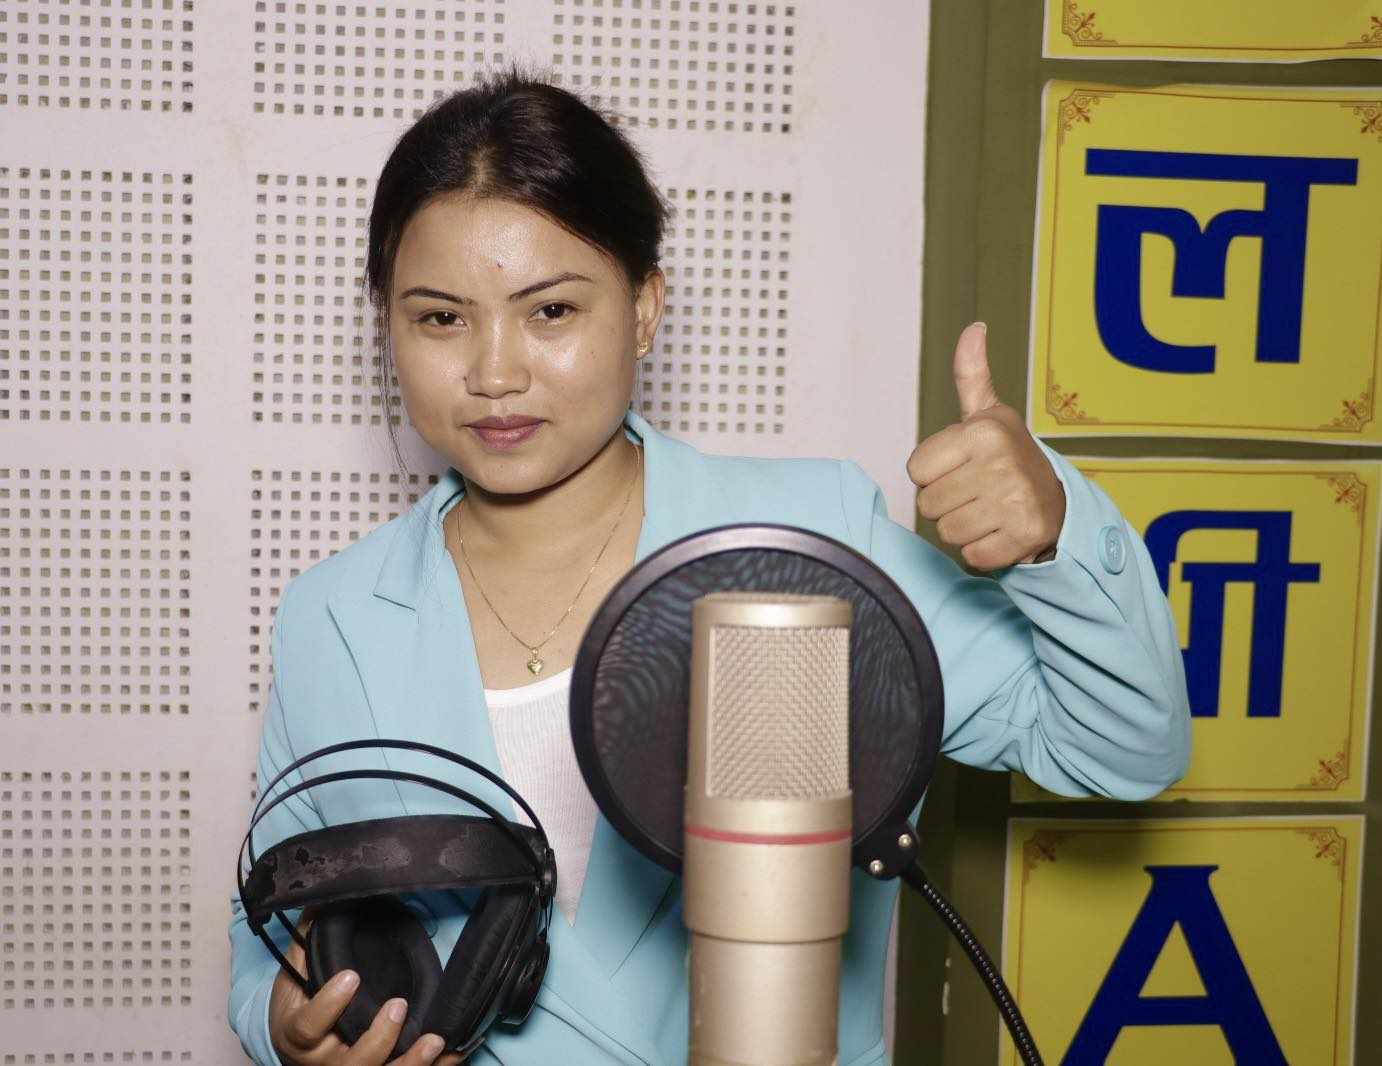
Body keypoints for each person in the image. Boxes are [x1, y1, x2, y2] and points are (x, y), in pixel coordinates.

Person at [227, 67, 1191, 1066]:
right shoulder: (332, 616)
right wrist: (283, 1023)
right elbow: (269, 923)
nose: (494, 372)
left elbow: (1121, 750)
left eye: (550, 312)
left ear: (645, 307)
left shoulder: (810, 543)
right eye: (440, 318)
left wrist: (1053, 532)